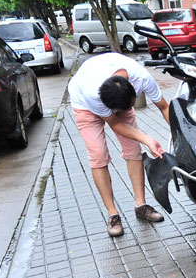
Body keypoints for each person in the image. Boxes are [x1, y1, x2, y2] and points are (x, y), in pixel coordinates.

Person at [68, 52, 168, 237]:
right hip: (84, 106)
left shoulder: (142, 78)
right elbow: (114, 123)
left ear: (132, 87)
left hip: (116, 96)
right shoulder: (92, 92)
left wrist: (178, 134)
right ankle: (112, 213)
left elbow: (164, 107)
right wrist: (148, 139)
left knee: (133, 150)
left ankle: (141, 206)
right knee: (98, 155)